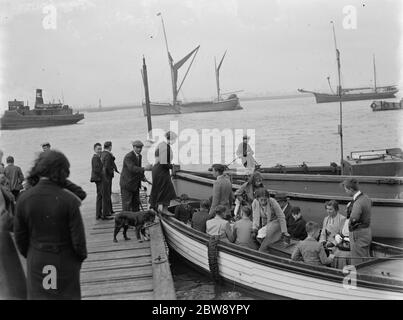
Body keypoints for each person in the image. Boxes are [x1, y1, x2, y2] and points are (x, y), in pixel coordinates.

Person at [13, 150, 87, 299]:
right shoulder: (69, 200)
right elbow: (79, 241)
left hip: (37, 259)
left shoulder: (23, 199)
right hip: (65, 260)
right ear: (62, 172)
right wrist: (77, 260)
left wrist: (32, 254)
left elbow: (20, 238)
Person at [343, 178, 372, 265]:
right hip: (367, 232)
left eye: (346, 190)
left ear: (351, 189)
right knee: (365, 258)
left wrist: (349, 211)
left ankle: (359, 276)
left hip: (358, 234)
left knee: (357, 261)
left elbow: (354, 218)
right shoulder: (366, 198)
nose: (345, 192)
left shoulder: (357, 203)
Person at [149, 131, 177, 215]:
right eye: (174, 139)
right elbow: (163, 162)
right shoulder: (165, 147)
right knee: (167, 189)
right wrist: (172, 166)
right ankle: (164, 209)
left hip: (157, 169)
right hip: (161, 170)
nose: (175, 141)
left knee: (157, 188)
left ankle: (154, 206)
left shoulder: (161, 144)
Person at [120, 140, 151, 212]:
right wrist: (145, 168)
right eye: (137, 147)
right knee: (127, 205)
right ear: (133, 147)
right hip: (127, 184)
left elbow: (138, 168)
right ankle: (126, 221)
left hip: (135, 184)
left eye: (140, 147)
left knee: (136, 204)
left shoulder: (139, 156)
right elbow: (132, 168)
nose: (139, 149)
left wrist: (142, 177)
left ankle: (136, 220)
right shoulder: (128, 156)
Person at [101, 141, 119, 217]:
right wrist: (112, 172)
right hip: (107, 177)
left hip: (103, 176)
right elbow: (108, 166)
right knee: (108, 194)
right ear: (110, 146)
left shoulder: (102, 154)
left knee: (107, 194)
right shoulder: (108, 155)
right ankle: (108, 212)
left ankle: (110, 210)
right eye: (111, 146)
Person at [90, 143, 106, 220]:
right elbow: (96, 169)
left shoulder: (97, 157)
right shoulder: (95, 158)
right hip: (99, 179)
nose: (100, 150)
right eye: (98, 149)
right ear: (94, 150)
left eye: (100, 149)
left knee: (100, 196)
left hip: (98, 179)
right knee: (101, 196)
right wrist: (102, 174)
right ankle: (101, 215)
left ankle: (99, 214)